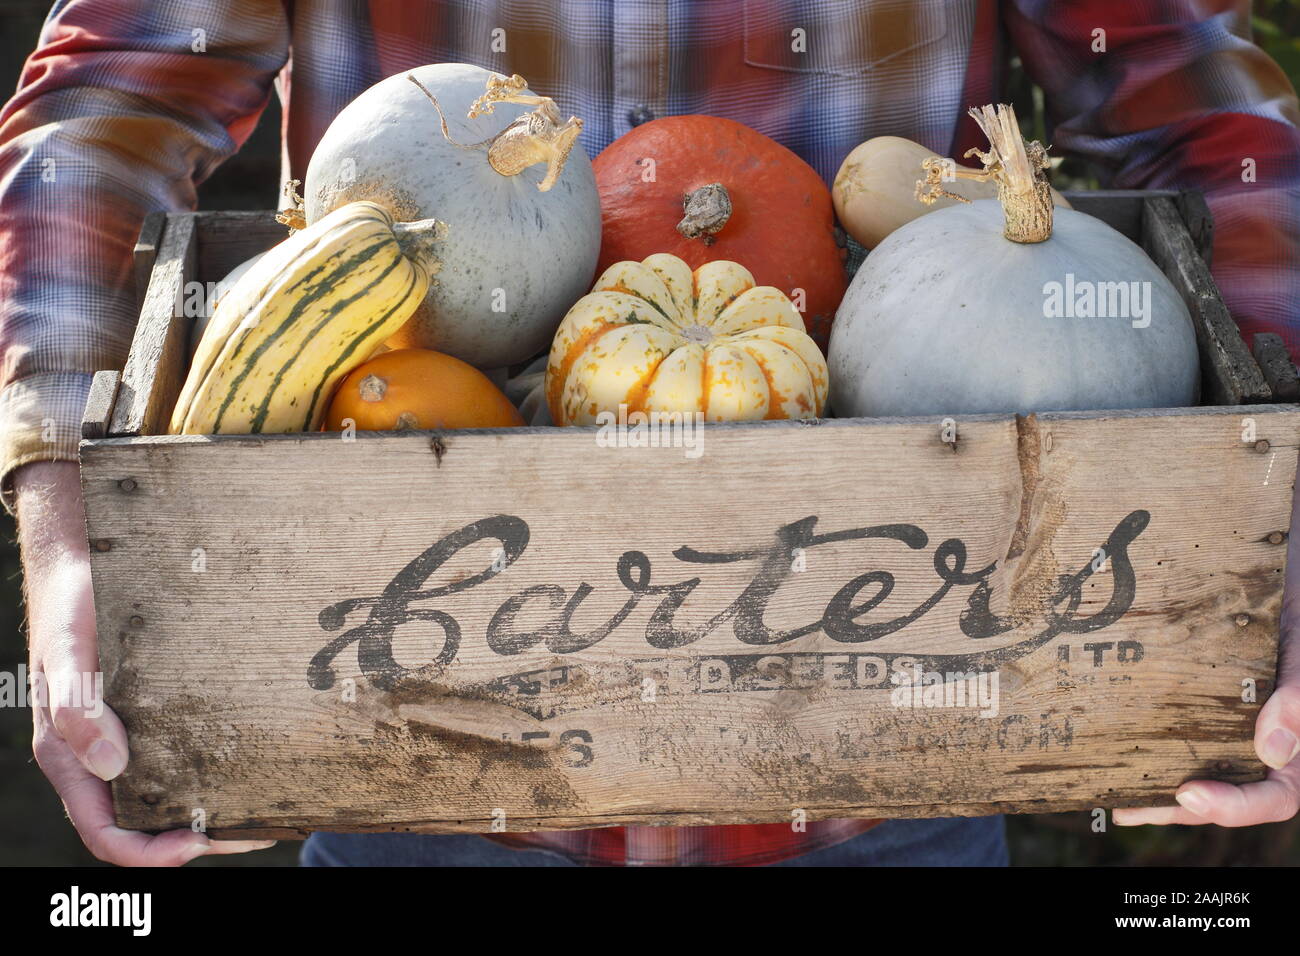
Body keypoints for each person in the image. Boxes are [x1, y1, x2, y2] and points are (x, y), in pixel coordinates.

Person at [3, 0, 1298, 868]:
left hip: (886, 772)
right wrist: (66, 509)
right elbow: (112, 106)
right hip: (416, 760)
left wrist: (1281, 531)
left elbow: (1205, 116)